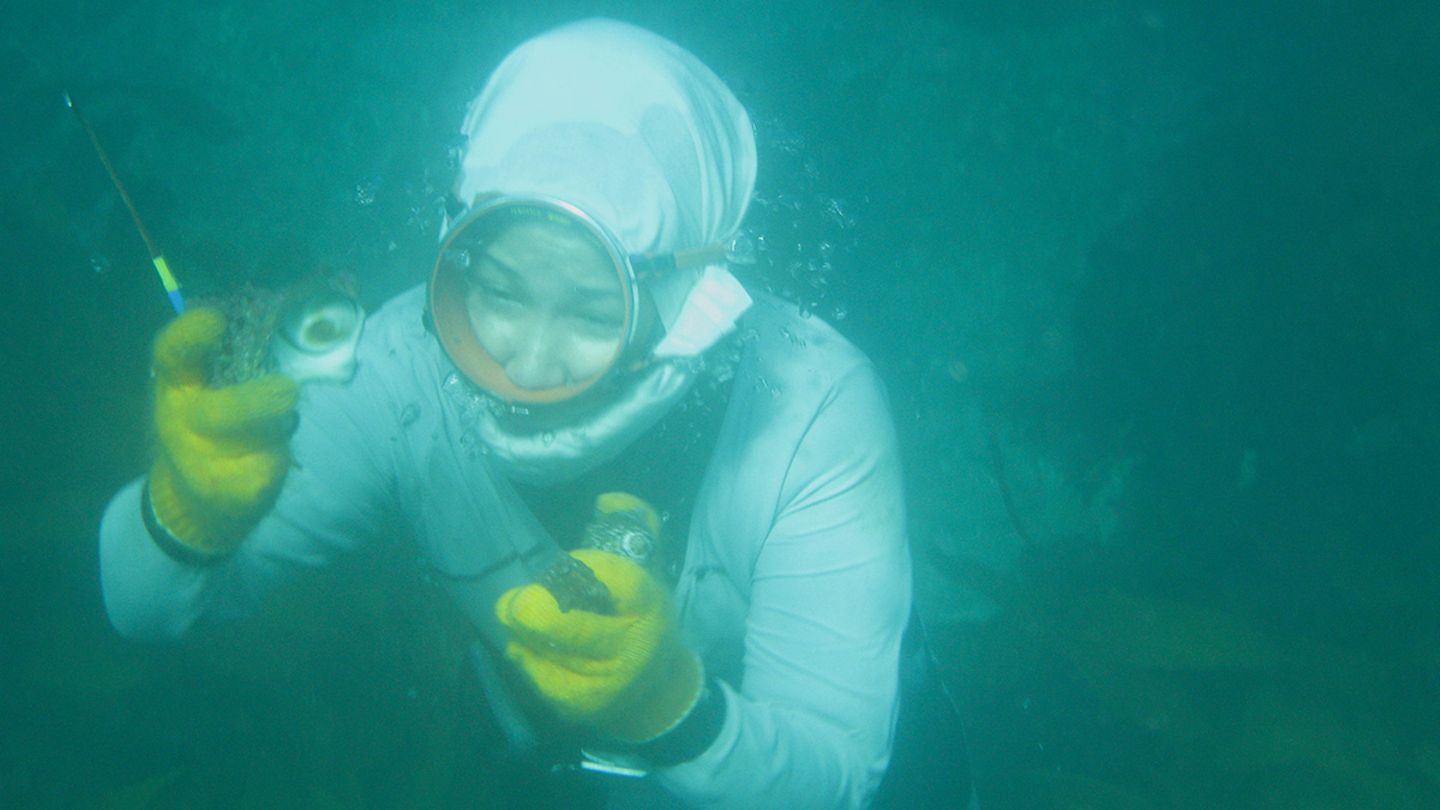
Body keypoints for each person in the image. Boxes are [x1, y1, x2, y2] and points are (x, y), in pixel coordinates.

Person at [99, 19, 914, 808]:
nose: (527, 366)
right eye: (497, 294)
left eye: (595, 314)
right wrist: (183, 518)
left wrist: (672, 708)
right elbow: (145, 609)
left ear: (685, 294)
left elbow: (835, 781)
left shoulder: (810, 406)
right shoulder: (396, 371)